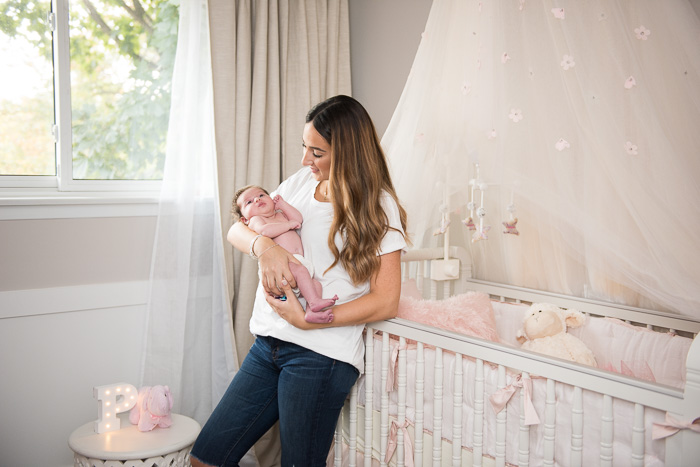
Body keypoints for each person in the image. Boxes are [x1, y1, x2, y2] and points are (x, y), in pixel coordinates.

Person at [190, 95, 408, 467]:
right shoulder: (297, 183)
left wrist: (307, 318)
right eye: (305, 147)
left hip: (320, 355)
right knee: (205, 458)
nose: (306, 160)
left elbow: (386, 300)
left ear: (349, 152)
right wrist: (264, 249)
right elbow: (237, 231)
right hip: (268, 345)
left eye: (317, 152)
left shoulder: (379, 205)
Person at [232, 184, 337, 323]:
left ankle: (311, 312)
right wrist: (288, 225)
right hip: (280, 267)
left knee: (315, 285)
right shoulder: (256, 220)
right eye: (249, 202)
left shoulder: (280, 214)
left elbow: (298, 219)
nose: (257, 200)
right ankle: (314, 302)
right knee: (302, 272)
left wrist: (282, 204)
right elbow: (265, 231)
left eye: (261, 195)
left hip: (296, 264)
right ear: (244, 219)